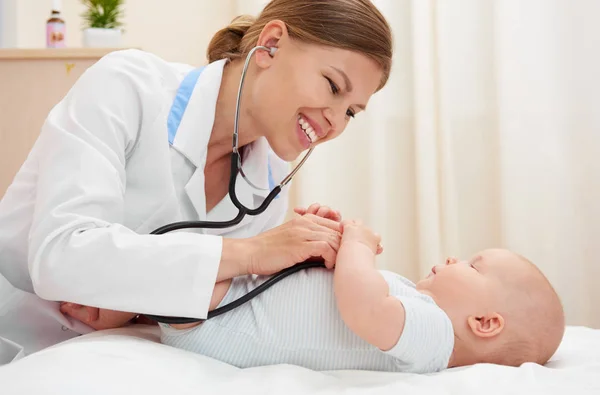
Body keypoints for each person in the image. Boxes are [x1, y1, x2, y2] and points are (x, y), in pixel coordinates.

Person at [0, 0, 393, 363]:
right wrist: (253, 252)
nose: (335, 122)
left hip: (109, 357)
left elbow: (214, 309)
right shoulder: (128, 86)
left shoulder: (267, 181)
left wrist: (293, 269)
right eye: (332, 86)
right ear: (272, 44)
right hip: (15, 333)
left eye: (351, 112)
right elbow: (62, 256)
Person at [159, 219, 566, 373]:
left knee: (174, 269)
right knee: (175, 266)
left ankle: (128, 304)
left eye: (474, 266)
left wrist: (358, 246)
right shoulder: (418, 307)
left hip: (225, 317)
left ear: (485, 323)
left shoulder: (437, 338)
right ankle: (125, 307)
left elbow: (362, 308)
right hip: (239, 298)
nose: (455, 258)